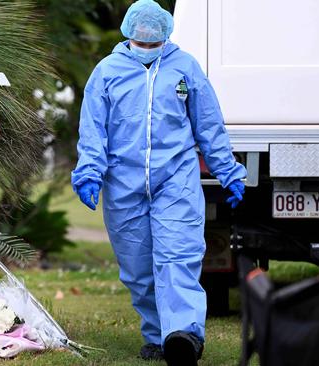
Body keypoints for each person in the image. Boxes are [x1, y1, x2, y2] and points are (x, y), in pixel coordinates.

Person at [71, 1, 246, 365]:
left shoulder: (185, 68)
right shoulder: (107, 73)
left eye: (154, 45)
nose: (147, 50)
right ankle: (157, 334)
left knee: (177, 257)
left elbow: (209, 125)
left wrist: (227, 171)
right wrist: (89, 172)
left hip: (175, 181)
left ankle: (183, 336)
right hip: (123, 184)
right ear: (128, 36)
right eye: (142, 43)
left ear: (166, 37)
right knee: (138, 268)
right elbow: (93, 131)